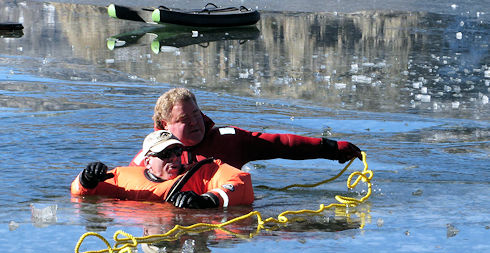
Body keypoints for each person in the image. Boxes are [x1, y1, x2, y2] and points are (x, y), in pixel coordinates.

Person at [129, 87, 362, 169]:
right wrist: (91, 180)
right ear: (164, 126)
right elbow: (123, 186)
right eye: (184, 119)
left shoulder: (229, 140)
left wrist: (332, 148)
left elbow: (282, 145)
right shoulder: (150, 159)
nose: (194, 123)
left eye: (196, 114)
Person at [71, 130, 254, 208]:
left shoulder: (204, 173)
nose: (174, 158)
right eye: (165, 154)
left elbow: (243, 182)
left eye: (176, 151)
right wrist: (86, 178)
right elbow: (81, 194)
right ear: (148, 162)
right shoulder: (122, 177)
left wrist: (207, 201)